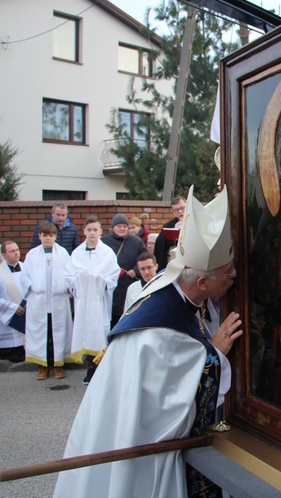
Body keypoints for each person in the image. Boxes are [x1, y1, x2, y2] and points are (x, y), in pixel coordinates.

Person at [54, 185, 243, 498]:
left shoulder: (166, 283)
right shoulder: (165, 333)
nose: (235, 275)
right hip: (137, 438)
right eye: (228, 272)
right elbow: (172, 406)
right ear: (201, 282)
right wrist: (215, 355)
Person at [65, 216, 119, 384]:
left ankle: (100, 368)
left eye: (95, 230)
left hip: (98, 300)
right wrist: (81, 279)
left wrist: (98, 280)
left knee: (98, 331)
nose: (92, 233)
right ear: (84, 232)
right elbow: (69, 276)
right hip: (83, 302)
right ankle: (89, 367)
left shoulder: (107, 253)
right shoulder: (77, 253)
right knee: (84, 332)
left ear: (101, 232)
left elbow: (113, 275)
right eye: (89, 230)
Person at [23, 221, 73, 380]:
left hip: (58, 300)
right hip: (38, 300)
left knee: (57, 332)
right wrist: (35, 286)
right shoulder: (32, 255)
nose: (47, 239)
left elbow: (70, 274)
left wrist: (64, 287)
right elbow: (24, 276)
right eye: (44, 235)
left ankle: (58, 364)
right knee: (40, 333)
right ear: (39, 236)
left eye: (51, 235)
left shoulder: (63, 253)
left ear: (55, 236)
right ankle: (42, 365)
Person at [101, 214, 147, 328]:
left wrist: (135, 270)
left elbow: (145, 257)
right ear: (113, 228)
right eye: (119, 226)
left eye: (124, 226)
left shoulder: (136, 241)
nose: (122, 229)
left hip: (130, 284)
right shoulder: (104, 242)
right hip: (112, 287)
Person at [154, 196, 186, 271]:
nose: (180, 211)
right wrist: (175, 230)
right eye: (176, 210)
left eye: (182, 208)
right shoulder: (169, 225)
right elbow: (161, 245)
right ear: (173, 212)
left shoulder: (196, 221)